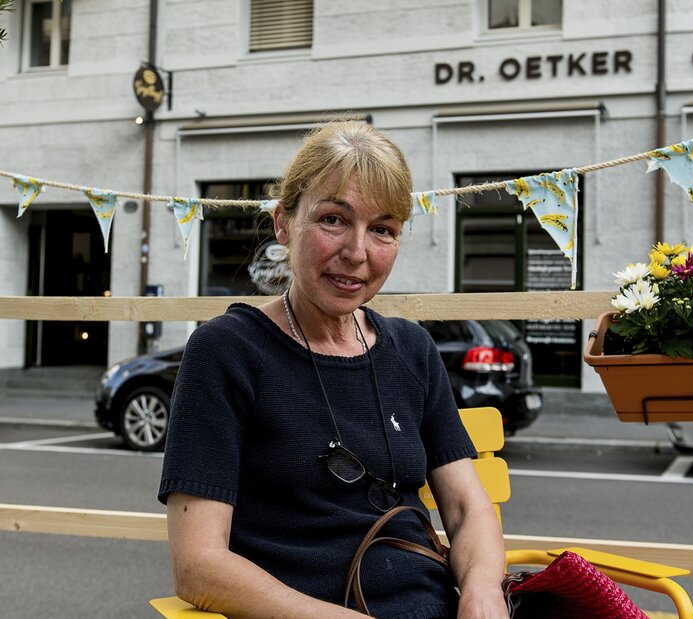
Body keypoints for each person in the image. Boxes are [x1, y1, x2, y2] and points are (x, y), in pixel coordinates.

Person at [158, 121, 510, 619]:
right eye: (333, 220)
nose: (357, 253)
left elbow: (467, 508)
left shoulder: (411, 350)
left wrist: (482, 592)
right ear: (283, 223)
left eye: (382, 230)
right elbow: (199, 566)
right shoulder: (227, 352)